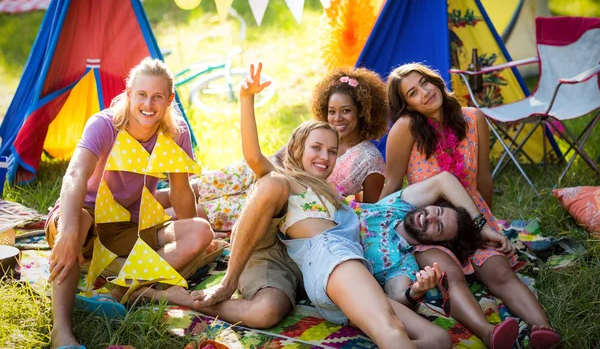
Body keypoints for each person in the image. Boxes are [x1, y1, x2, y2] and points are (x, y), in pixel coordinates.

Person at [192, 63, 452, 349]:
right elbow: (254, 156)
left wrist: (411, 288)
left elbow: (375, 212)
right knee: (391, 332)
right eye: (316, 148)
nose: (325, 156)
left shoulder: (334, 195)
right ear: (297, 149)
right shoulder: (289, 182)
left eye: (331, 151)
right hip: (332, 260)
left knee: (438, 339)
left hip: (346, 269)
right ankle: (221, 280)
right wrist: (246, 99)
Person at [381, 63, 561, 349]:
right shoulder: (406, 129)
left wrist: (489, 226)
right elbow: (391, 185)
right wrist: (375, 229)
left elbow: (483, 178)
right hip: (428, 225)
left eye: (425, 82)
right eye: (413, 93)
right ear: (407, 105)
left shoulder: (474, 118)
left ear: (436, 80)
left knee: (500, 271)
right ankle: (489, 334)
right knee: (448, 274)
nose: (425, 93)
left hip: (471, 217)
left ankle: (545, 331)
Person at [45, 58, 214, 349]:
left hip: (129, 227)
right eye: (142, 95)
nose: (149, 104)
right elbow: (74, 175)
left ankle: (119, 288)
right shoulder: (104, 124)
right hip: (82, 216)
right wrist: (68, 231)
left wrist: (191, 242)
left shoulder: (176, 133)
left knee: (201, 229)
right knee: (79, 222)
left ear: (170, 100)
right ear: (128, 93)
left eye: (158, 97)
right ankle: (61, 331)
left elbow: (182, 193)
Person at [154, 66, 389, 231]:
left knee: (203, 211)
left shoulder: (369, 159)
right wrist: (273, 173)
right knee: (200, 185)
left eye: (346, 111)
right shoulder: (317, 132)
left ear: (363, 111)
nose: (337, 118)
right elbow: (277, 156)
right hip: (267, 173)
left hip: (286, 199)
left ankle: (145, 226)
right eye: (331, 111)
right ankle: (134, 204)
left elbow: (366, 214)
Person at [359, 171, 520, 349]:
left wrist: (415, 292)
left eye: (438, 226)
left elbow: (396, 296)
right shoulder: (397, 206)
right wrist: (481, 227)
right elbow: (443, 180)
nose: (430, 217)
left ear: (436, 243)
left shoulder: (403, 262)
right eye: (436, 211)